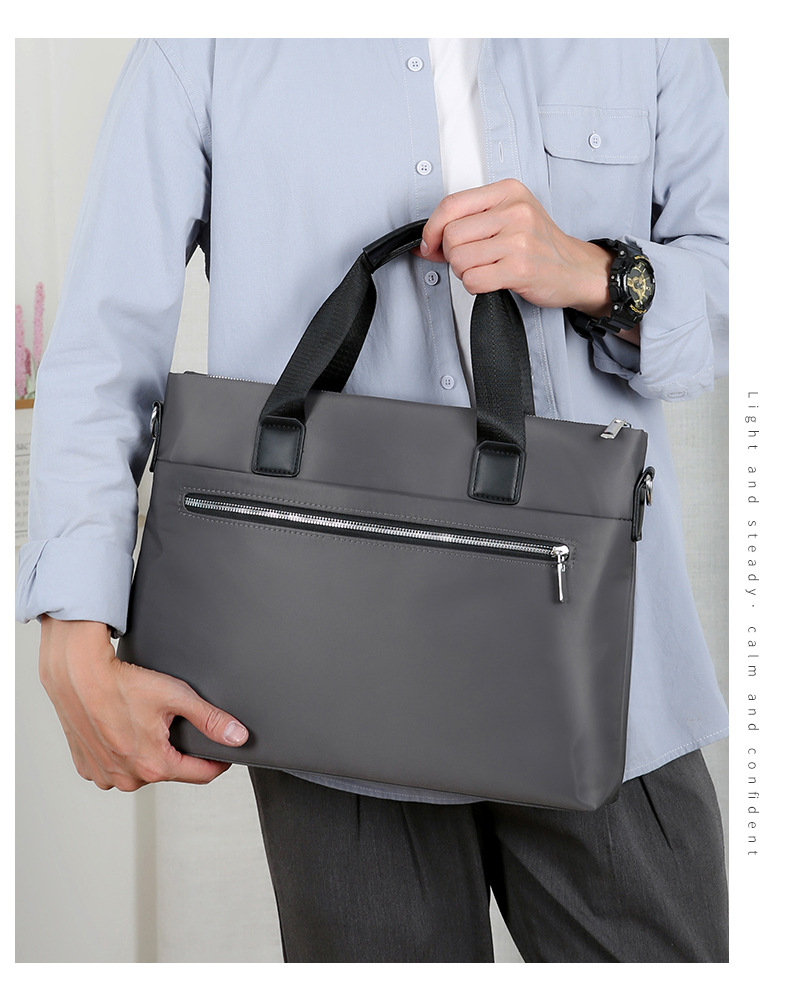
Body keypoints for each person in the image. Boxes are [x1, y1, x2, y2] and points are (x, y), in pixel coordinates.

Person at [16, 39, 729, 962]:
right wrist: (73, 626)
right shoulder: (203, 39)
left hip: (611, 679)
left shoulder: (649, 32)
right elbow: (104, 343)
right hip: (325, 696)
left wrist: (597, 273)